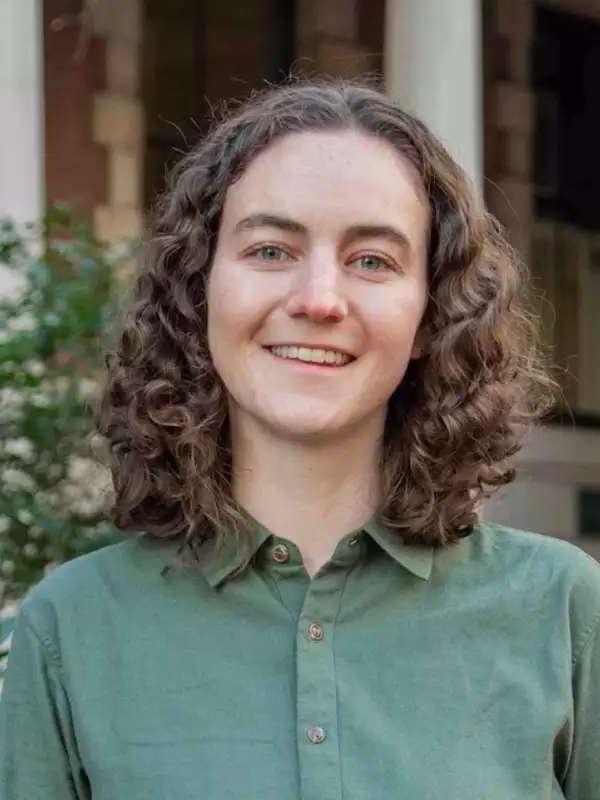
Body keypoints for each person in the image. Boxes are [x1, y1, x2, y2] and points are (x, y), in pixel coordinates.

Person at [1, 78, 599, 799]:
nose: (318, 299)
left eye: (372, 260)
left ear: (430, 314)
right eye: (271, 250)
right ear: (202, 290)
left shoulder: (563, 611)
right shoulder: (70, 631)